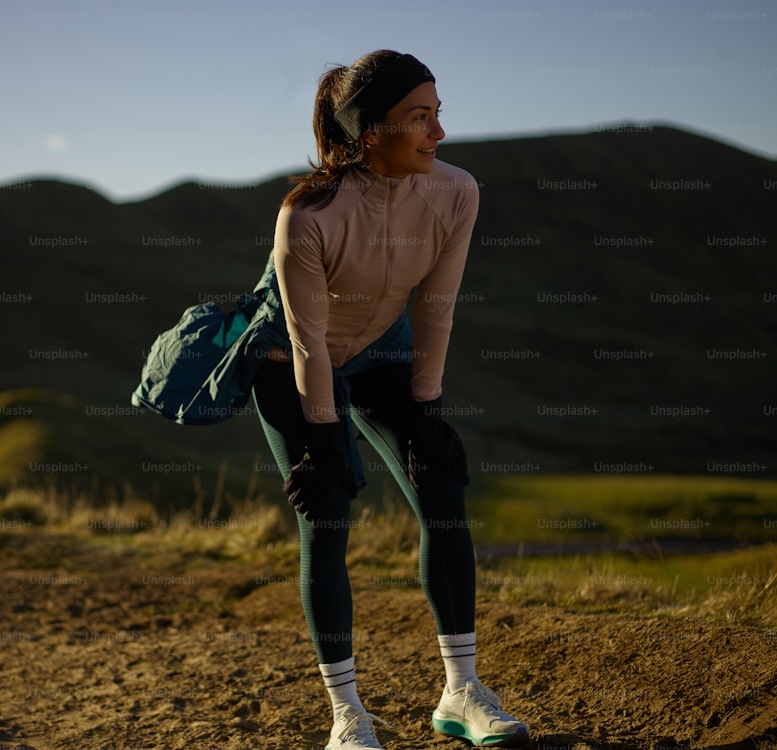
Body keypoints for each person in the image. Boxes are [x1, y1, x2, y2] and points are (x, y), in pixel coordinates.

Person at [250, 50, 530, 749]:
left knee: (443, 489)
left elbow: (437, 306)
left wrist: (426, 406)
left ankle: (461, 692)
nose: (439, 133)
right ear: (371, 132)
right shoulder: (307, 215)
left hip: (384, 349)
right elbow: (308, 338)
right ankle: (348, 719)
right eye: (420, 118)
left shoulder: (456, 192)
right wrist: (320, 437)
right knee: (329, 516)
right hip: (291, 360)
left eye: (437, 114)